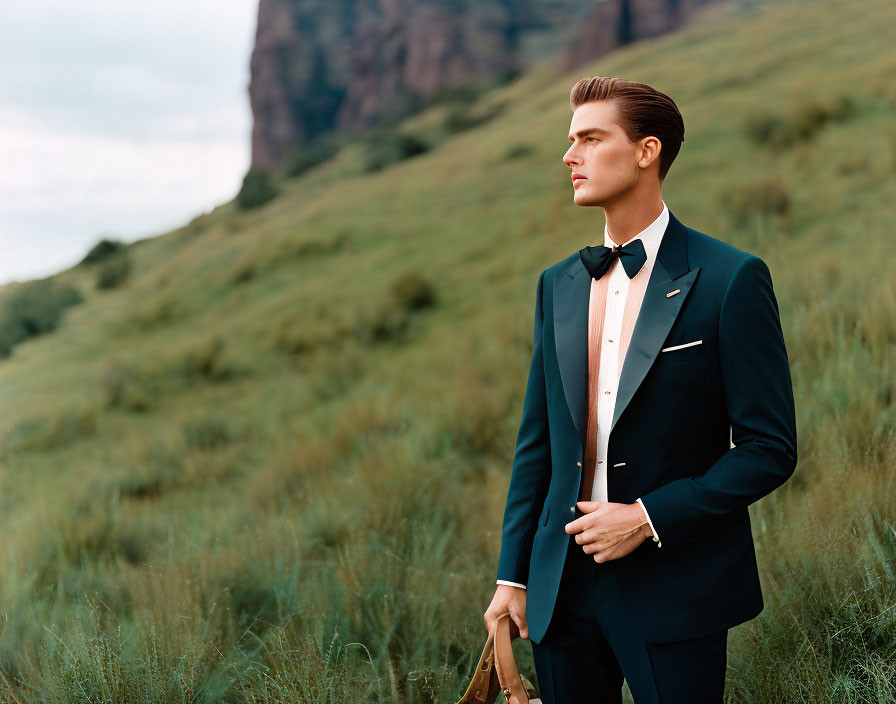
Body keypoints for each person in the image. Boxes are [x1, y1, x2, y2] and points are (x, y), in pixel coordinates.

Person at [482, 76, 797, 704]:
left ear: (646, 151)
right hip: (560, 590)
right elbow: (537, 444)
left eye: (591, 139)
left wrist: (648, 518)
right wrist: (511, 575)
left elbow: (768, 448)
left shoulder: (731, 279)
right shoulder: (557, 285)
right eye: (570, 141)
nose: (569, 156)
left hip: (678, 585)